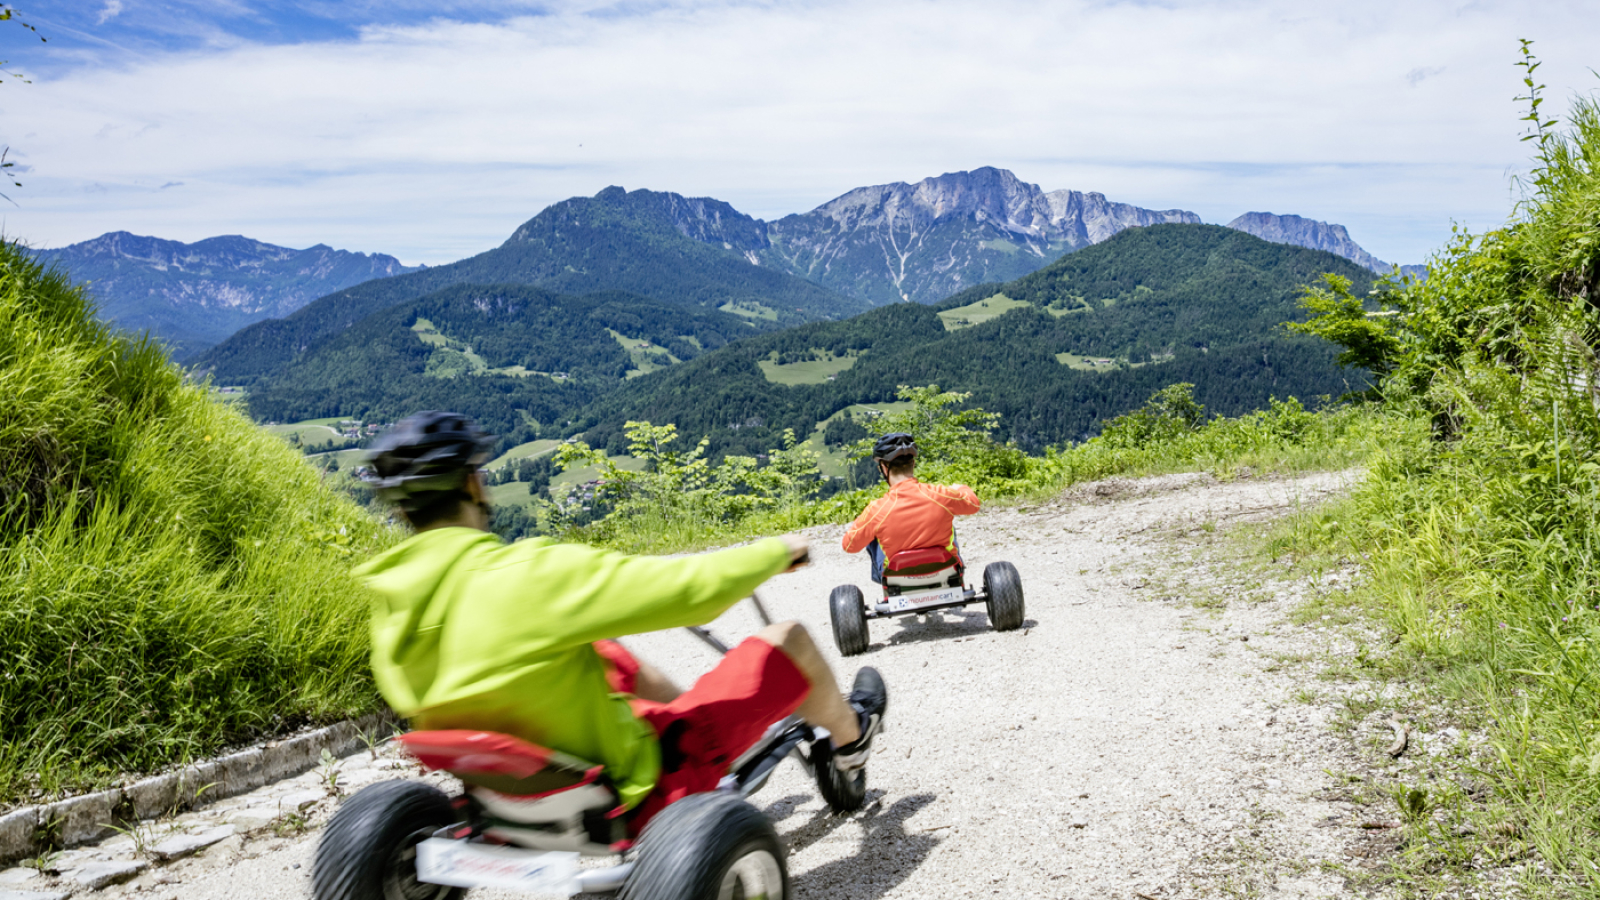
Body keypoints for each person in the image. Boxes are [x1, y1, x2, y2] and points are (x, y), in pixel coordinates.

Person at [354, 411, 887, 832]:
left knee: (603, 650)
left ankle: (701, 721)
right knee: (789, 639)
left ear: (403, 512)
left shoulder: (389, 596)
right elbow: (689, 593)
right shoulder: (526, 573)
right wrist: (773, 552)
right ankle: (850, 737)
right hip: (631, 780)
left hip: (504, 780)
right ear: (474, 485)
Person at [841, 432, 980, 583]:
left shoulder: (877, 510)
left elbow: (849, 546)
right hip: (945, 570)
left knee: (872, 534)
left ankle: (891, 587)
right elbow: (973, 504)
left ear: (884, 468)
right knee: (946, 519)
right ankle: (953, 581)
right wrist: (961, 488)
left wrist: (861, 522)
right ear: (913, 464)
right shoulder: (940, 495)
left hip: (899, 579)